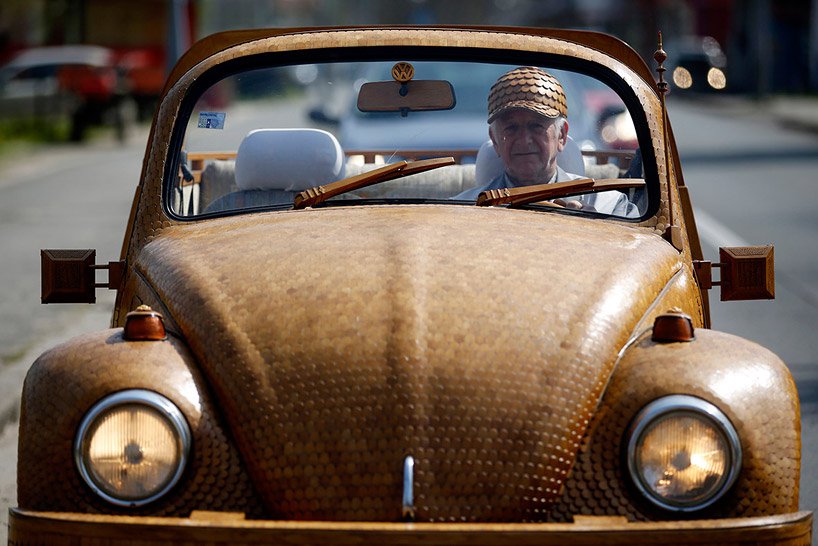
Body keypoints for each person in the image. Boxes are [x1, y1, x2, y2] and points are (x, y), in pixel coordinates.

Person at [456, 66, 638, 218]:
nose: (524, 140)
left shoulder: (609, 207)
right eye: (511, 128)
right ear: (495, 140)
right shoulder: (462, 211)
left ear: (562, 135)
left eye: (536, 126)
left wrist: (596, 229)